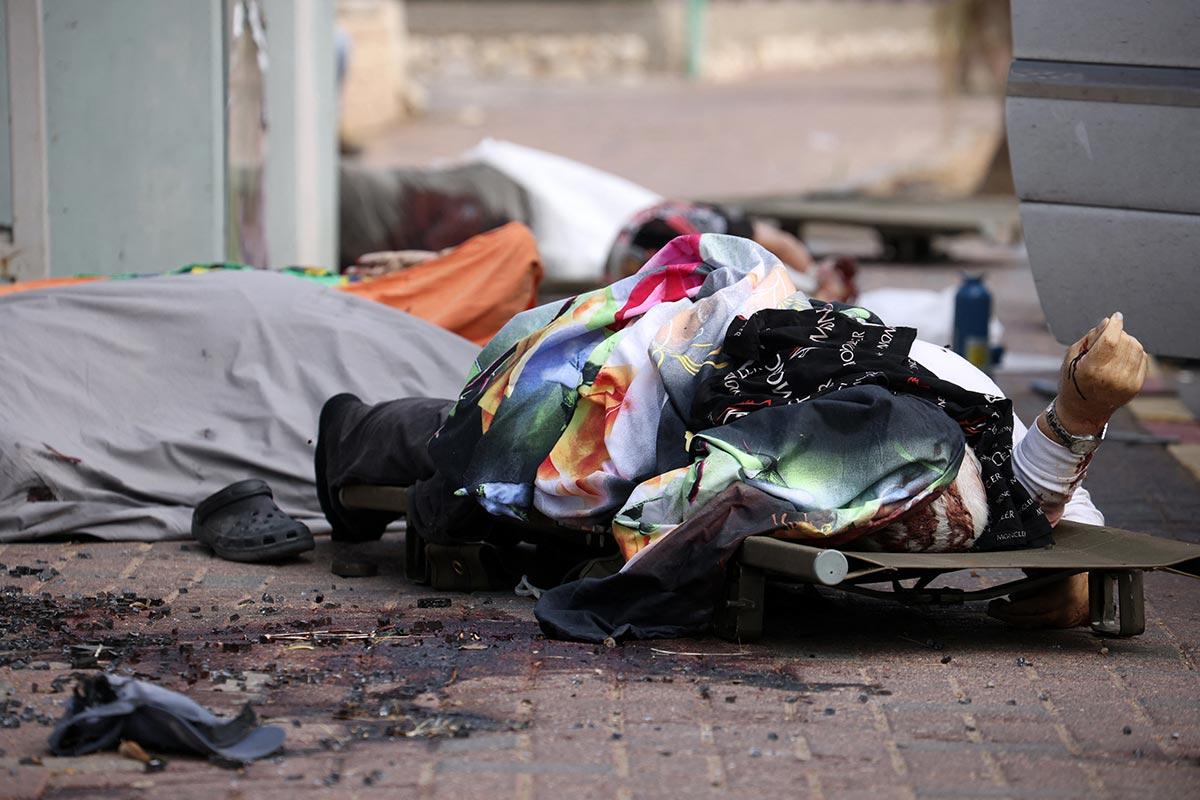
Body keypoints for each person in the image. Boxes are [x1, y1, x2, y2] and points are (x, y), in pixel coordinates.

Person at [299, 233, 1146, 640]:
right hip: (705, 357)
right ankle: (350, 442)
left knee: (538, 461)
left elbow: (1029, 495)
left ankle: (361, 441)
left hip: (729, 392)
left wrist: (1079, 416)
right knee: (514, 446)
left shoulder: (952, 446)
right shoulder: (950, 415)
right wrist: (1078, 414)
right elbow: (706, 493)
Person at [605, 200, 859, 303]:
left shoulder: (704, 223)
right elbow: (784, 244)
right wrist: (814, 281)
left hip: (619, 279)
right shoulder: (713, 230)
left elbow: (784, 245)